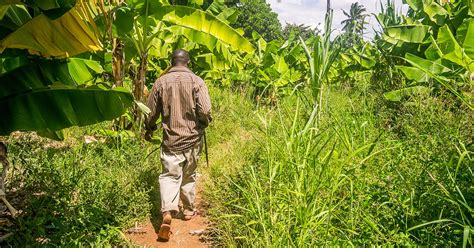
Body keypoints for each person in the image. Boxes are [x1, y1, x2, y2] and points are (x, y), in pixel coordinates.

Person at [144, 49, 212, 241]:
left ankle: (167, 211)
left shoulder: (160, 82)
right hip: (192, 139)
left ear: (171, 62)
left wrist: (149, 128)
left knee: (169, 176)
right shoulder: (197, 82)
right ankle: (189, 210)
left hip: (170, 140)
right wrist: (204, 122)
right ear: (188, 62)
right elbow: (205, 110)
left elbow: (150, 112)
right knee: (189, 175)